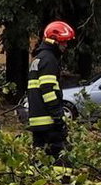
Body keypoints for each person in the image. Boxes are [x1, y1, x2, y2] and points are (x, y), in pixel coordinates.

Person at [27, 20, 77, 160]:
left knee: (41, 160)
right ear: (54, 41)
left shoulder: (38, 59)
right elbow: (48, 91)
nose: (66, 46)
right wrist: (58, 117)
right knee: (61, 159)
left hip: (37, 121)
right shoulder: (49, 60)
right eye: (64, 42)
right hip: (48, 122)